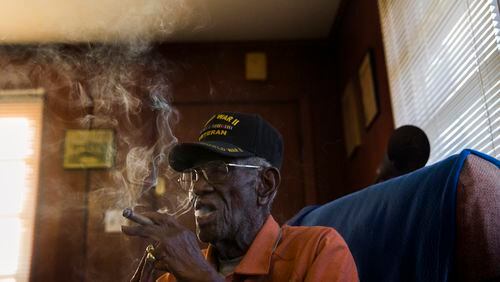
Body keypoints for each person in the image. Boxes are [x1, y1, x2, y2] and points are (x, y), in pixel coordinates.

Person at [122, 112, 358, 281]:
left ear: (265, 184)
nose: (197, 188)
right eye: (194, 175)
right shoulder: (176, 274)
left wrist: (201, 276)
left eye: (218, 170)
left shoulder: (317, 250)